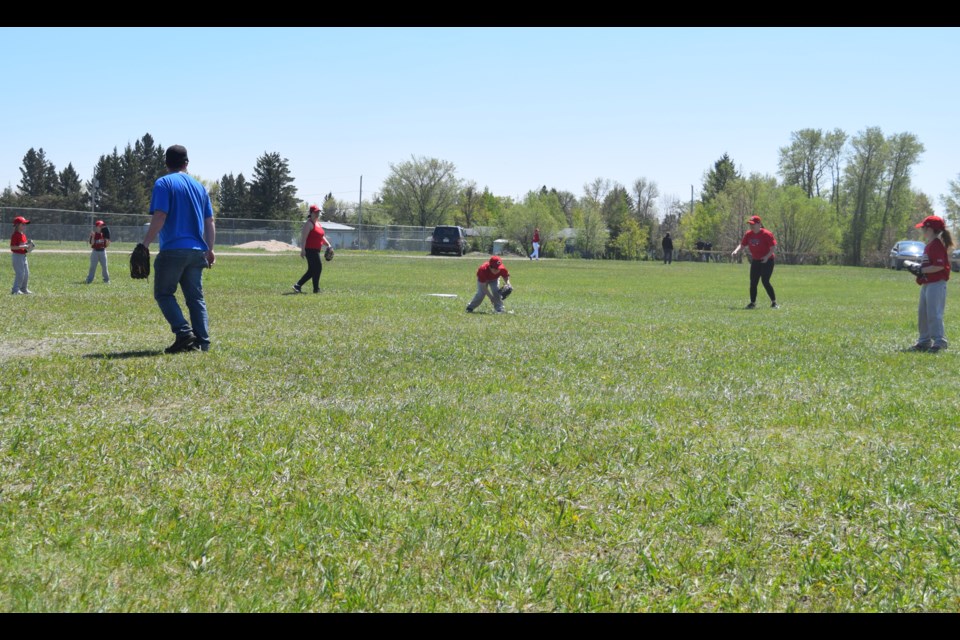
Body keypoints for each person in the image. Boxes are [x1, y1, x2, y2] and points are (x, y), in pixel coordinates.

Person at [142, 145, 216, 353]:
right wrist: (210, 249)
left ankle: (184, 334)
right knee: (196, 298)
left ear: (166, 163)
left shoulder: (164, 183)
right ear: (186, 163)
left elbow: (160, 215)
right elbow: (209, 221)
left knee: (164, 294)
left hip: (173, 250)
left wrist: (145, 243)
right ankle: (203, 342)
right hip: (196, 252)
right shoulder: (199, 187)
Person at [908, 215, 953, 352]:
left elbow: (939, 266)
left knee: (934, 313)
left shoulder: (937, 245)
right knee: (923, 313)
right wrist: (918, 269)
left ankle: (940, 342)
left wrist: (920, 269)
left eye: (924, 228)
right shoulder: (930, 245)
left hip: (936, 284)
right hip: (927, 283)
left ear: (931, 229)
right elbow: (929, 265)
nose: (922, 231)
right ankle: (924, 341)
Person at [731, 215, 779, 309]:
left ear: (759, 224)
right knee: (753, 282)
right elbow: (742, 245)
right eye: (750, 224)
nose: (751, 226)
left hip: (767, 261)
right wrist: (736, 251)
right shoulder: (748, 234)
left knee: (765, 281)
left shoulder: (767, 234)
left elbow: (773, 247)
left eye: (753, 224)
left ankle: (774, 302)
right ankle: (752, 303)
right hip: (756, 261)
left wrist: (766, 257)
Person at [293, 204, 332, 294]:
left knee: (312, 270)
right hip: (310, 250)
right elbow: (304, 238)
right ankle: (316, 289)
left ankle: (297, 285)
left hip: (317, 250)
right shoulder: (308, 224)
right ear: (311, 213)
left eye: (318, 212)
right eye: (315, 212)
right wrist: (302, 250)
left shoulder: (318, 224)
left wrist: (328, 245)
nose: (317, 214)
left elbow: (321, 236)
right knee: (318, 267)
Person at [10, 215, 33, 295]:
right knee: (20, 273)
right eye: (22, 224)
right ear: (17, 225)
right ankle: (15, 290)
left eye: (25, 224)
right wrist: (24, 246)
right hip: (17, 256)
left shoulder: (23, 235)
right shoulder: (15, 235)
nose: (24, 226)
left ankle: (23, 289)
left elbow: (24, 247)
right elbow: (12, 247)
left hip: (23, 256)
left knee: (26, 273)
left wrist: (29, 246)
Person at [85, 219, 111, 284]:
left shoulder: (104, 234)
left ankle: (106, 280)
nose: (101, 227)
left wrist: (108, 240)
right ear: (96, 227)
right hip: (95, 252)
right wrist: (93, 237)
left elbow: (106, 245)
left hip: (103, 251)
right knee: (93, 266)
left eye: (102, 226)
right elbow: (92, 243)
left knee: (104, 266)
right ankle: (89, 279)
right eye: (100, 226)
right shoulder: (94, 234)